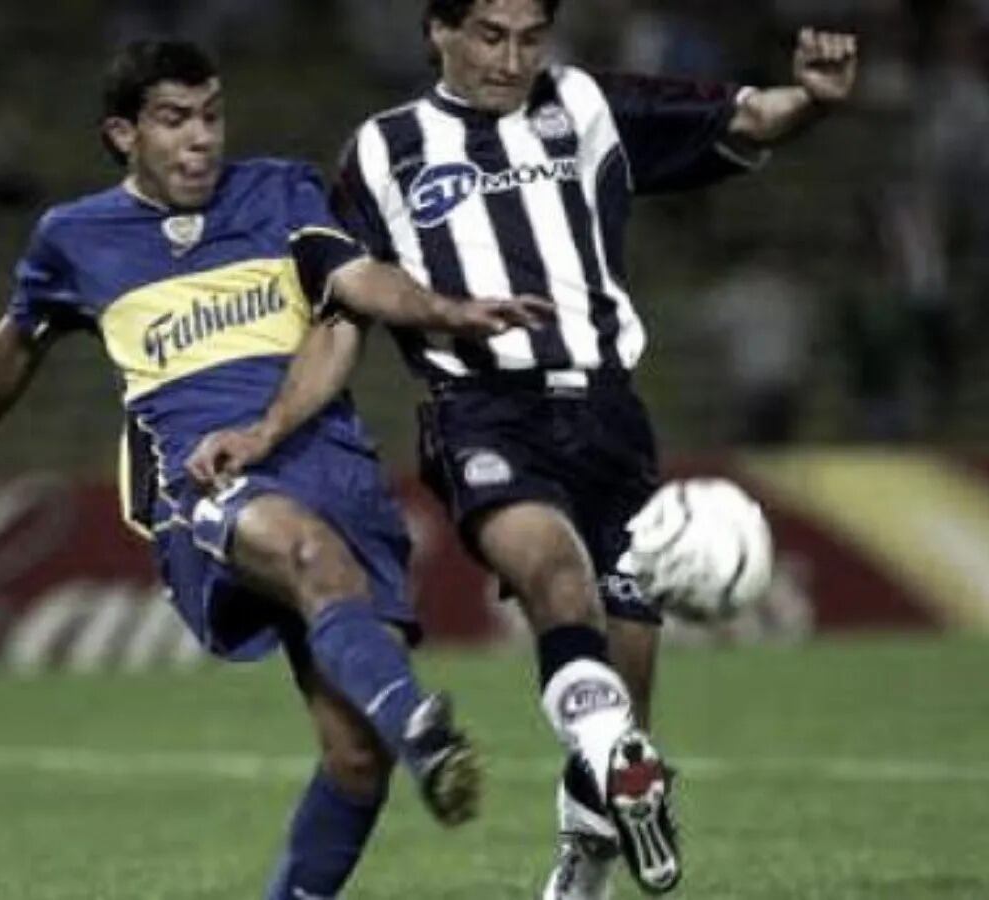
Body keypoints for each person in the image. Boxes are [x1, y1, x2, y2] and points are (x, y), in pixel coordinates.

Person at [188, 3, 857, 896]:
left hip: (611, 417)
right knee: (553, 572)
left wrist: (812, 100)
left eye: (529, 37)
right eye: (489, 35)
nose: (511, 58)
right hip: (482, 412)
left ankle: (589, 839)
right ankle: (618, 757)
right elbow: (347, 307)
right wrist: (271, 428)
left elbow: (747, 117)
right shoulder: (383, 152)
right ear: (439, 31)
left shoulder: (584, 105)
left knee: (624, 680)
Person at [0, 39, 550, 900]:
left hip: (328, 466)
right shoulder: (74, 239)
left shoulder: (281, 191)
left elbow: (358, 278)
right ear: (123, 133)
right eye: (173, 119)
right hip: (204, 481)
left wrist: (447, 309)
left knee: (351, 762)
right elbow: (18, 339)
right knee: (308, 555)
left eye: (211, 115)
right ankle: (423, 727)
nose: (201, 139)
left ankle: (387, 744)